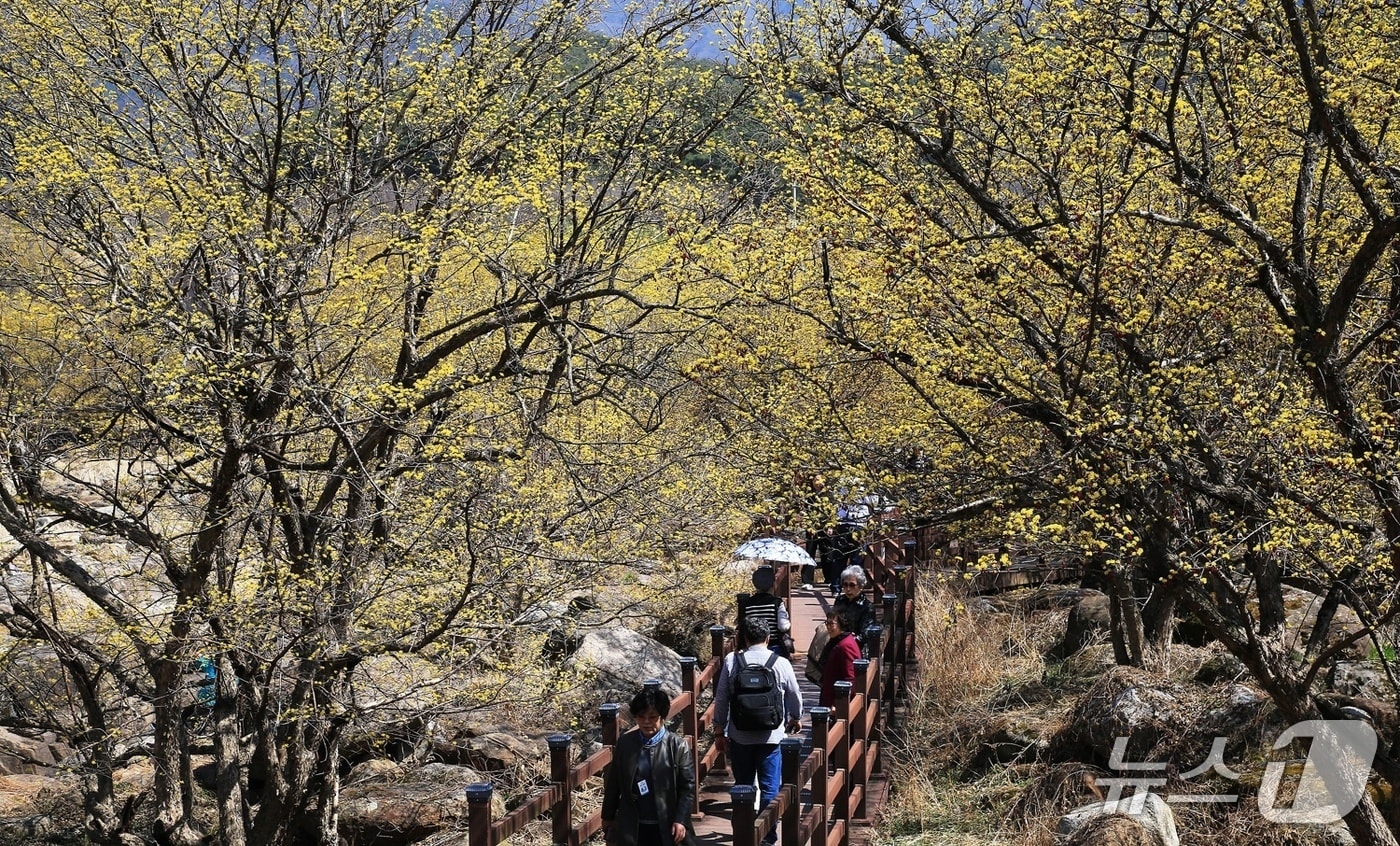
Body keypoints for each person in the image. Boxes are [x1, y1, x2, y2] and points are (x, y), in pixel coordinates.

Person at [713, 617, 803, 845]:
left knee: (742, 787)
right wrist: (796, 717)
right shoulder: (780, 662)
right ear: (768, 638)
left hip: (740, 736)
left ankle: (743, 835)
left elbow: (721, 698)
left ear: (744, 638)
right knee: (770, 788)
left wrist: (719, 730)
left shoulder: (732, 660)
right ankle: (766, 837)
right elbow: (794, 694)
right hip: (770, 737)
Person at [602, 687, 699, 846]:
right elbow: (614, 782)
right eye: (641, 717)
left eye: (652, 717)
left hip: (666, 823)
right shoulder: (625, 743)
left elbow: (687, 787)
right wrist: (608, 816)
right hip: (632, 824)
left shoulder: (677, 746)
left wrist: (681, 820)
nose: (646, 722)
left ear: (662, 717)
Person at [738, 565, 793, 658]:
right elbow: (783, 626)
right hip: (773, 646)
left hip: (751, 647)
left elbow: (742, 626)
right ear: (772, 583)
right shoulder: (776, 602)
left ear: (755, 584)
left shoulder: (746, 603)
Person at [818, 607, 863, 708]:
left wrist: (839, 705)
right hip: (829, 697)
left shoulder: (846, 645)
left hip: (837, 704)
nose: (828, 627)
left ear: (842, 624)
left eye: (831, 624)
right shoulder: (836, 641)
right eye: (827, 623)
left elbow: (851, 678)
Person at [833, 565, 878, 657]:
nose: (848, 589)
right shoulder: (839, 600)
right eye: (845, 585)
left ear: (861, 586)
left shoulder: (867, 606)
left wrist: (846, 641)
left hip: (857, 648)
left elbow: (865, 635)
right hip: (837, 643)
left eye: (852, 585)